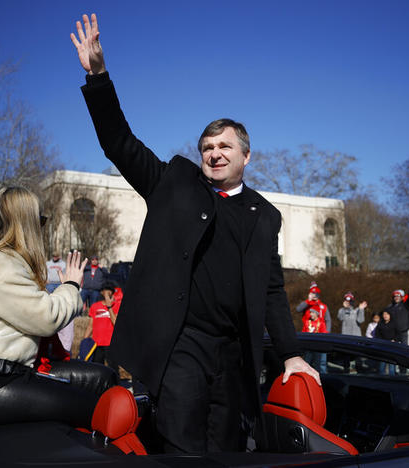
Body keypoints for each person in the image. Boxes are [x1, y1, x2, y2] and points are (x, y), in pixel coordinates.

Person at [70, 14, 319, 453]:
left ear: (245, 155)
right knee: (181, 446)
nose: (214, 153)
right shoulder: (175, 185)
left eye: (224, 146)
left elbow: (273, 292)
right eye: (207, 147)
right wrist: (99, 78)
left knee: (226, 448)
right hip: (181, 344)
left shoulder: (265, 215)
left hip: (234, 353)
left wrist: (290, 354)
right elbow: (120, 143)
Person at [0, 186, 116, 427]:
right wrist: (71, 285)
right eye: (40, 222)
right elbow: (46, 318)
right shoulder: (0, 263)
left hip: (6, 374)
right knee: (98, 410)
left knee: (104, 379)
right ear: (27, 223)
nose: (41, 229)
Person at [84, 282, 120, 374]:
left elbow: (116, 323)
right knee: (97, 368)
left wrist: (109, 307)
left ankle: (115, 386)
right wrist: (84, 340)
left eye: (110, 291)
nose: (108, 293)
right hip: (97, 343)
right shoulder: (95, 306)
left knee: (113, 368)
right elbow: (90, 325)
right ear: (101, 292)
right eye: (105, 291)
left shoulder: (117, 305)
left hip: (110, 343)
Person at [374, 310, 397, 375]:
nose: (385, 316)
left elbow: (398, 333)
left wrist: (395, 340)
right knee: (382, 362)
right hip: (383, 345)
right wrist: (381, 341)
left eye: (387, 314)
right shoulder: (380, 323)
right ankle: (381, 377)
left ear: (390, 315)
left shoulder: (394, 323)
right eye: (384, 314)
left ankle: (392, 377)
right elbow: (377, 334)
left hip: (392, 345)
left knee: (391, 363)